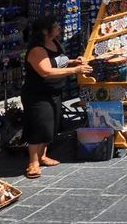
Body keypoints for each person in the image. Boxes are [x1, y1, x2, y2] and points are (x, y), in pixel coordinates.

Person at [21, 15, 93, 179]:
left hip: (54, 92)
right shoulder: (37, 50)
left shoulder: (55, 43)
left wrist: (74, 62)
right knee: (38, 127)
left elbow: (59, 62)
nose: (59, 28)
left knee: (51, 126)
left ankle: (43, 156)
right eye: (55, 26)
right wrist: (75, 70)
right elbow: (46, 71)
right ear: (45, 31)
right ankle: (33, 163)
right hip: (38, 95)